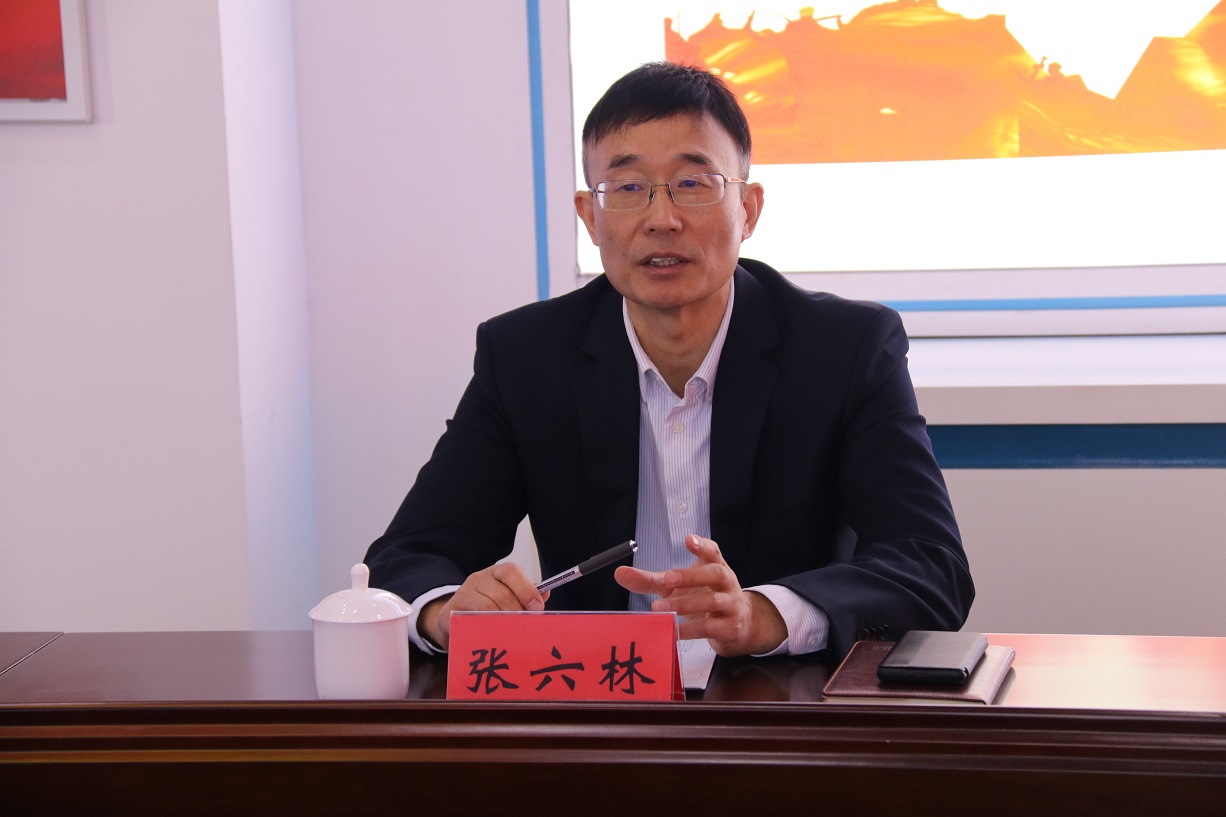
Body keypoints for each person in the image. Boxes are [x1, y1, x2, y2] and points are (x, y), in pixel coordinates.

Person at [365, 62, 973, 660]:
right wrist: (445, 614)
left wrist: (763, 615)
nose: (662, 219)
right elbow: (407, 557)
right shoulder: (527, 356)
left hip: (775, 702)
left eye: (693, 183)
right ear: (590, 218)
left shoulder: (843, 348)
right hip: (596, 699)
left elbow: (930, 565)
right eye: (628, 189)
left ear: (748, 209)